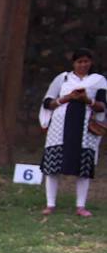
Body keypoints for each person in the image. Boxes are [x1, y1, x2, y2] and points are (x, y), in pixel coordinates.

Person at [38, 48, 106, 218]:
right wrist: (67, 98)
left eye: (86, 61)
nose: (83, 65)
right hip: (59, 129)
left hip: (84, 131)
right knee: (53, 167)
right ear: (73, 63)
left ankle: (81, 206)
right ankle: (50, 204)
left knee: (83, 168)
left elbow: (103, 106)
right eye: (79, 61)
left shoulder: (98, 81)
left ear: (91, 63)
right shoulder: (63, 79)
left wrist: (87, 100)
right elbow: (47, 102)